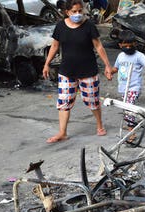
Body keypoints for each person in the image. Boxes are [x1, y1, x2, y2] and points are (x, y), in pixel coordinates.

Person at [42, 0, 113, 143]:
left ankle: (99, 125)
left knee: (92, 101)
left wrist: (107, 66)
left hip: (88, 71)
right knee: (64, 102)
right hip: (67, 71)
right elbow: (55, 46)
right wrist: (46, 64)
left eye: (80, 11)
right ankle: (62, 132)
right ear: (67, 12)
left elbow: (98, 46)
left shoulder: (89, 26)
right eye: (74, 11)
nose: (78, 14)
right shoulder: (60, 26)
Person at [111, 30, 145, 133]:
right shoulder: (120, 56)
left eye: (130, 45)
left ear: (135, 44)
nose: (128, 48)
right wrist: (109, 72)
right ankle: (137, 121)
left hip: (134, 87)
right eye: (125, 46)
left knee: (129, 108)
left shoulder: (139, 56)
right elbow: (116, 68)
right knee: (127, 109)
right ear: (120, 45)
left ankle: (131, 131)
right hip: (123, 88)